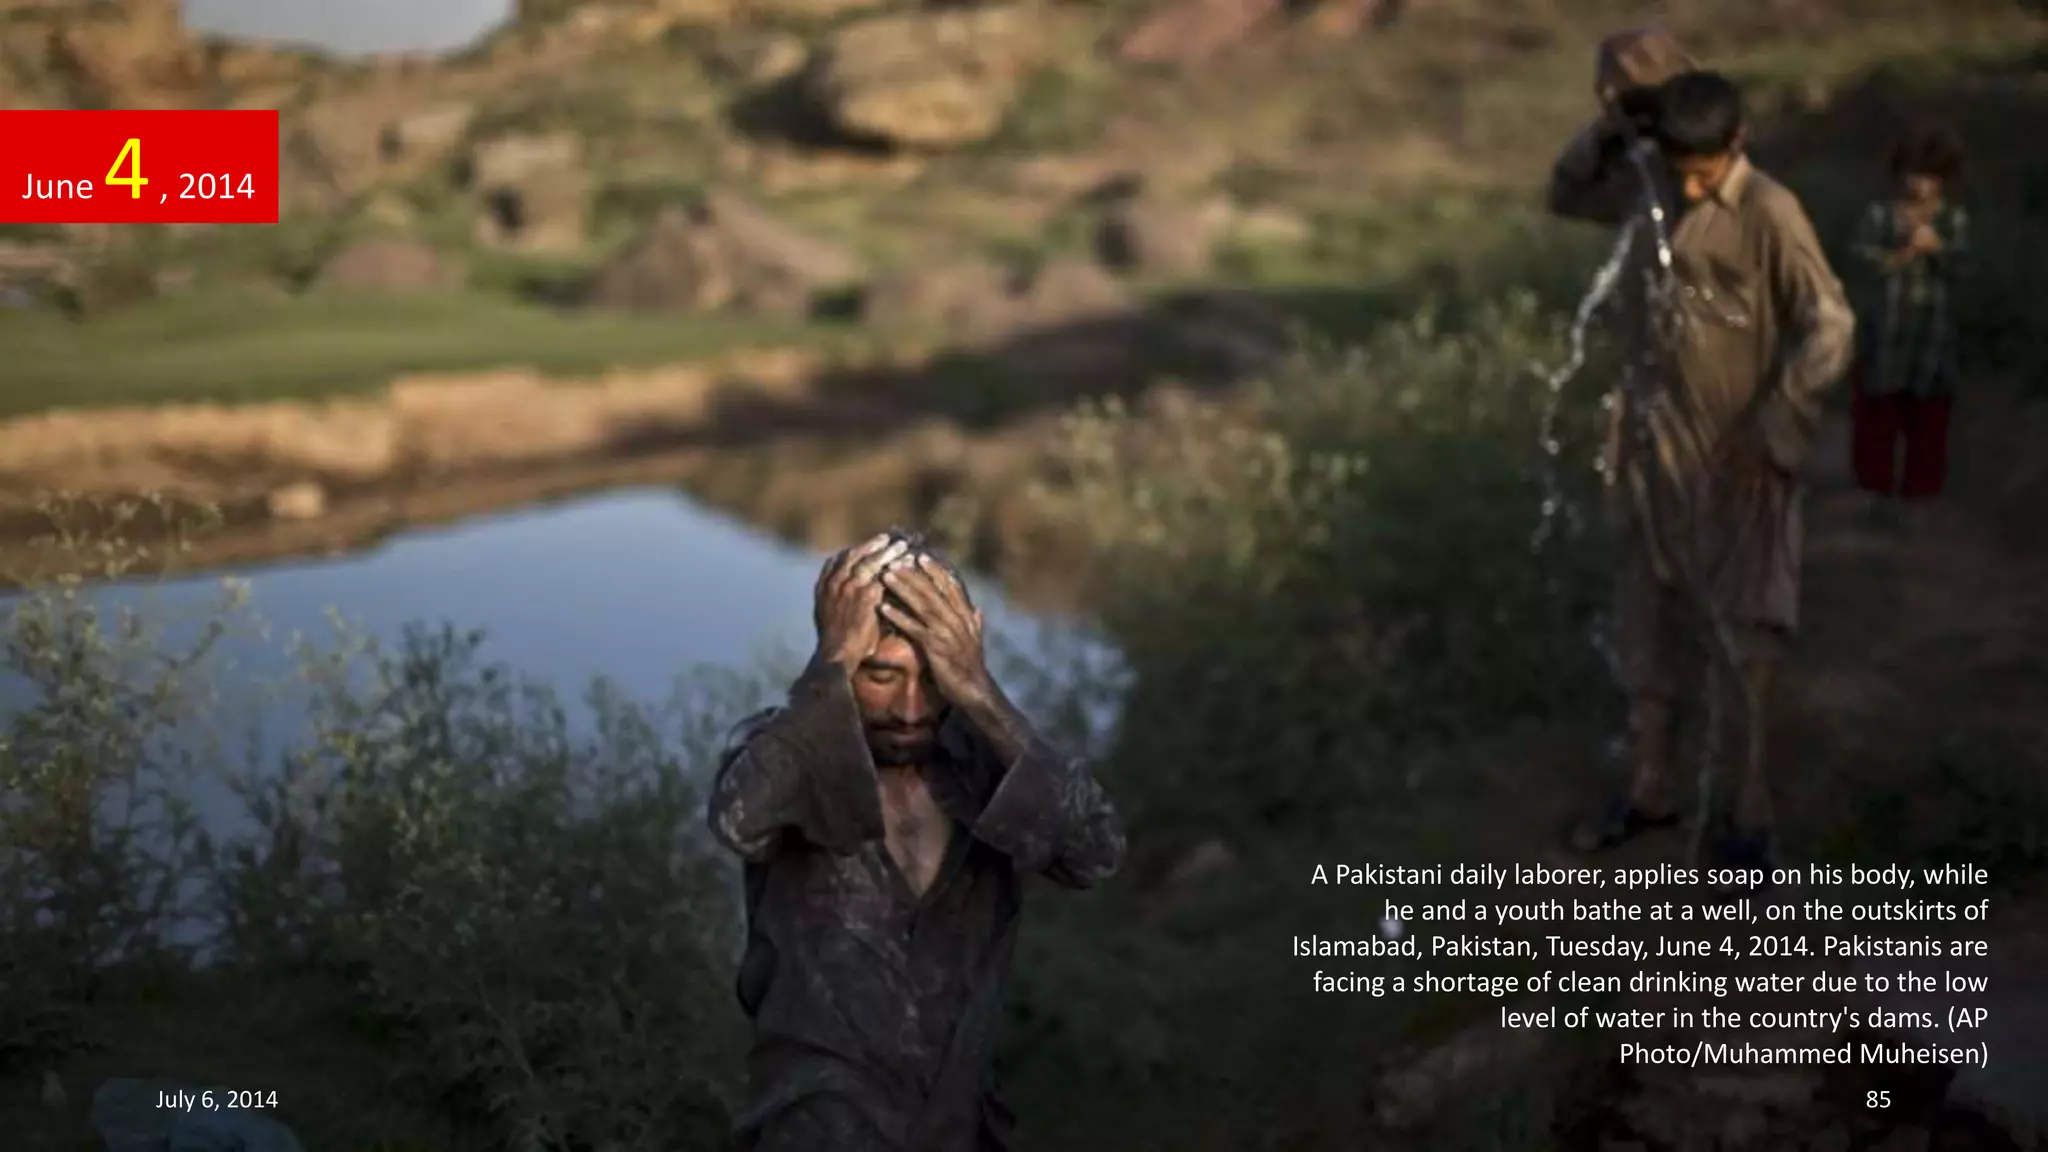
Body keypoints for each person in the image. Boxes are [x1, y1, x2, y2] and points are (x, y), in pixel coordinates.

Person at [707, 529, 1126, 1152]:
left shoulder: (987, 765)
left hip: (957, 1124)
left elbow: (1095, 853)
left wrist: (980, 692)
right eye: (880, 675)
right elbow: (740, 819)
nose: (909, 708)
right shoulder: (790, 750)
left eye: (933, 679)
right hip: (816, 1128)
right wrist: (828, 669)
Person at [1560, 72, 1856, 872]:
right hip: (1651, 451)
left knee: (1747, 632)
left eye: (1704, 172)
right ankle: (1651, 787)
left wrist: (1781, 419)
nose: (1692, 186)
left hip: (1737, 457)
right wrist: (1612, 129)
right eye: (1679, 167)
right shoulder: (1652, 188)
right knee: (1645, 624)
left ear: (1738, 144)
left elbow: (1830, 326)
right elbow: (1568, 194)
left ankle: (1751, 812)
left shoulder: (1768, 212)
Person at [1847, 118, 1970, 515]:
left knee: (1928, 421)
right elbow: (1862, 262)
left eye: (1930, 176)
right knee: (1877, 417)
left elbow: (1965, 270)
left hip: (1931, 338)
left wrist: (1938, 250)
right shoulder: (1880, 216)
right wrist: (1903, 252)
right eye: (1914, 174)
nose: (1920, 185)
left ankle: (1922, 495)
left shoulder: (1952, 220)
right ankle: (1874, 491)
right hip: (1885, 334)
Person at [1547, 27, 1700, 227]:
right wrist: (1603, 135)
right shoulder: (1615, 148)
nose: (1609, 95)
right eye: (1604, 85)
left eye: (1624, 80)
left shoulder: (1707, 132)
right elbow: (1564, 197)